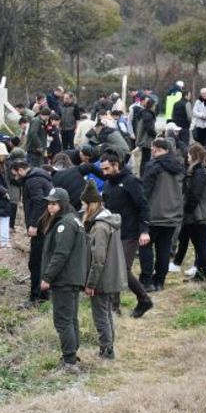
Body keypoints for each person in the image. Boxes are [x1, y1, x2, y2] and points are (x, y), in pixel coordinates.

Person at [97, 151, 153, 318]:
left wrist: (144, 231)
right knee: (112, 268)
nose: (104, 172)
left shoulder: (131, 181)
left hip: (130, 232)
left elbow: (143, 206)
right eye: (103, 169)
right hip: (113, 232)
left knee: (122, 269)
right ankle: (114, 308)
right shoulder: (108, 184)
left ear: (116, 165)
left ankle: (144, 300)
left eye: (107, 168)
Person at [40, 187, 87, 374]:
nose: (50, 207)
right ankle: (71, 356)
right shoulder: (73, 220)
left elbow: (60, 254)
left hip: (64, 279)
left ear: (63, 204)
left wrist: (47, 277)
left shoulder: (65, 224)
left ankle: (69, 363)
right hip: (72, 277)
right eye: (49, 203)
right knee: (70, 319)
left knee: (63, 320)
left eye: (54, 203)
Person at [81, 182, 127, 360]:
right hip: (110, 276)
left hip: (101, 278)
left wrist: (91, 282)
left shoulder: (99, 226)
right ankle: (109, 347)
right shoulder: (108, 220)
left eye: (84, 204)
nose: (82, 207)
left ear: (91, 204)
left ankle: (106, 350)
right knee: (106, 312)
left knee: (100, 315)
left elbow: (98, 258)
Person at [138, 139, 185, 292]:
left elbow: (144, 191)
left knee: (145, 247)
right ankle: (160, 281)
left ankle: (146, 280)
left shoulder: (153, 166)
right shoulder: (179, 167)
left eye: (153, 149)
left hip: (153, 214)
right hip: (172, 215)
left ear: (157, 149)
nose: (151, 152)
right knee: (164, 248)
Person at [170, 144, 206, 282]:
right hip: (204, 213)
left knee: (200, 245)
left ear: (195, 155)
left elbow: (194, 194)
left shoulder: (200, 172)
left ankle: (203, 275)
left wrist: (187, 210)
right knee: (198, 244)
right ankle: (200, 273)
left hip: (201, 215)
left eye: (189, 154)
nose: (187, 157)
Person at [11, 160, 52, 304]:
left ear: (21, 169)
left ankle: (37, 297)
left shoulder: (33, 180)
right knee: (42, 261)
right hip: (46, 226)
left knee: (36, 262)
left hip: (41, 228)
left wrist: (34, 224)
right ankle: (45, 294)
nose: (16, 178)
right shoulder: (38, 177)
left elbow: (39, 202)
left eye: (16, 174)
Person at [135, 98, 157, 176]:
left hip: (141, 139)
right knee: (146, 159)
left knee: (144, 159)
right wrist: (155, 135)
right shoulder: (148, 115)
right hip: (146, 140)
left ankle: (142, 174)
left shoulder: (143, 113)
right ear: (152, 106)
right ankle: (144, 175)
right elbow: (149, 128)